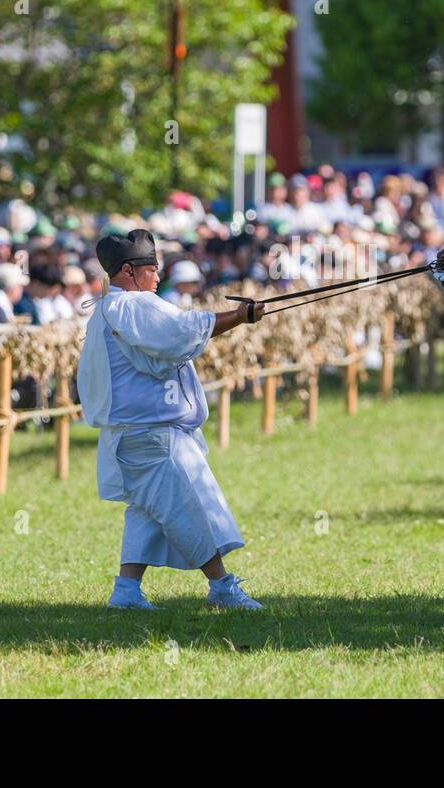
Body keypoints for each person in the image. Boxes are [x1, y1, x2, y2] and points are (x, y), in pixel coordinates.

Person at [77, 228, 268, 611]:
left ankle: (126, 591)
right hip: (151, 435)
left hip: (144, 434)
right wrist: (240, 316)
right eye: (153, 268)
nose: (159, 276)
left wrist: (238, 316)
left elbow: (177, 332)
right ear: (130, 271)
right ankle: (222, 587)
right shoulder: (132, 306)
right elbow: (184, 330)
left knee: (148, 513)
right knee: (189, 508)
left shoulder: (111, 309)